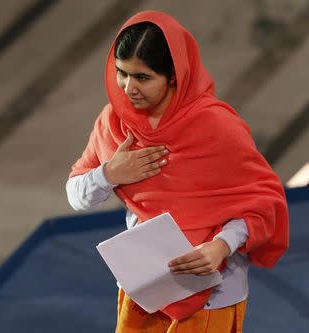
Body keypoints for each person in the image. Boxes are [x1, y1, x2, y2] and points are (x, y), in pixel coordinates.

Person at [66, 10, 289, 333]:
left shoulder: (217, 127)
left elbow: (264, 203)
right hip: (143, 292)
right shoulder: (113, 122)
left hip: (214, 296)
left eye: (142, 77)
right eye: (121, 73)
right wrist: (110, 174)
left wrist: (221, 246)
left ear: (173, 75)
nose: (128, 88)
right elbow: (76, 196)